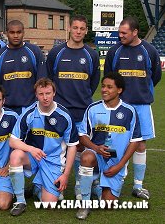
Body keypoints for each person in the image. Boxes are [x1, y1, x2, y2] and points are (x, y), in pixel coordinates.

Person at [104, 16, 162, 199]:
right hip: (120, 106)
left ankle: (138, 185)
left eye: (124, 33)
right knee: (116, 144)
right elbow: (108, 78)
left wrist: (141, 91)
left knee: (140, 145)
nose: (120, 35)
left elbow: (156, 76)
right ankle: (118, 180)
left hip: (142, 105)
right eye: (119, 32)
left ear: (135, 32)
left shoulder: (149, 50)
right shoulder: (115, 51)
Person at [46, 15, 100, 200]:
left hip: (83, 109)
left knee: (79, 149)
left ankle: (79, 184)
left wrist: (83, 97)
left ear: (86, 31)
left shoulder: (91, 54)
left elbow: (94, 82)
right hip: (60, 110)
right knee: (58, 147)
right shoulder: (56, 52)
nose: (78, 31)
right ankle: (56, 184)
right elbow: (49, 79)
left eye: (82, 28)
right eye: (75, 27)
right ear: (69, 28)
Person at [75, 72, 141, 220]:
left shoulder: (129, 111)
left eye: (109, 87)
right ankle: (85, 203)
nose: (104, 90)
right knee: (86, 156)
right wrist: (96, 148)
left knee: (108, 205)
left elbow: (135, 140)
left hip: (116, 162)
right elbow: (82, 135)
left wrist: (120, 166)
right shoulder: (92, 108)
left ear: (119, 90)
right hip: (96, 156)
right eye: (103, 86)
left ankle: (97, 184)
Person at [8, 78, 78, 216]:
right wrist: (31, 149)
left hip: (53, 160)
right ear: (36, 94)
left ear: (54, 93)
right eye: (41, 94)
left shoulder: (64, 115)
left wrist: (66, 175)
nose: (45, 97)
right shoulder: (29, 113)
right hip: (34, 156)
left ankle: (38, 187)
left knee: (49, 205)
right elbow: (13, 141)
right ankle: (20, 201)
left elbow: (73, 146)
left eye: (48, 93)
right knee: (16, 155)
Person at [0, 20, 46, 115]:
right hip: (7, 110)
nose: (15, 36)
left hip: (31, 108)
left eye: (18, 32)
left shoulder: (34, 51)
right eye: (12, 32)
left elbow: (42, 81)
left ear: (23, 32)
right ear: (7, 33)